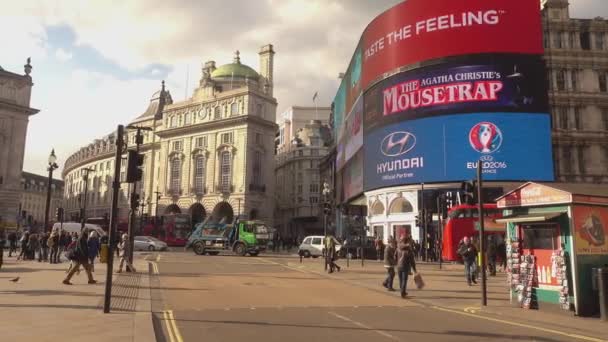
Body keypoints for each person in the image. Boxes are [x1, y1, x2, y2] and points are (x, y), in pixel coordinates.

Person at [396, 233, 417, 298]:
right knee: (404, 280)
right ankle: (403, 293)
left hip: (399, 266)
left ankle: (402, 291)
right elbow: (412, 260)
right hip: (405, 266)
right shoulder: (409, 250)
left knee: (400, 279)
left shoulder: (398, 248)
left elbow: (394, 256)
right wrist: (414, 269)